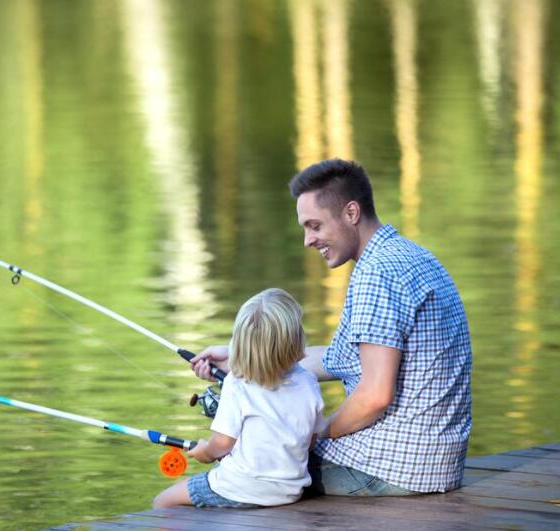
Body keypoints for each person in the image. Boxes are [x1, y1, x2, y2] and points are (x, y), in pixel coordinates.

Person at [193, 159, 472, 496]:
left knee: (255, 460)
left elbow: (374, 397)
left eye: (315, 226)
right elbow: (340, 359)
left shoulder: (377, 276)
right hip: (435, 462)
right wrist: (243, 357)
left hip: (392, 466)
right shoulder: (408, 256)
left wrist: (321, 431)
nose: (308, 240)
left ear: (351, 213)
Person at [154, 288, 324, 508]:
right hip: (290, 490)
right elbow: (310, 442)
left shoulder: (237, 383)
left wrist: (204, 452)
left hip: (238, 488)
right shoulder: (308, 381)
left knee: (163, 502)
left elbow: (221, 445)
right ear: (298, 339)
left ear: (240, 345)